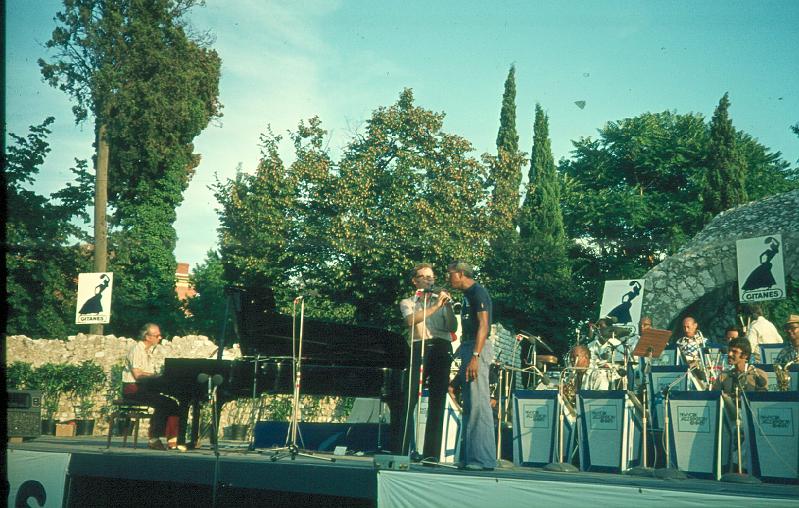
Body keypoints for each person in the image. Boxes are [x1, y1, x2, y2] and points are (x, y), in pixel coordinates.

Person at [398, 263, 457, 461]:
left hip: (441, 346)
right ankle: (403, 449)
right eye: (423, 277)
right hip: (418, 346)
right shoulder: (408, 301)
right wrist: (434, 307)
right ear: (415, 280)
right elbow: (410, 321)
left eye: (431, 277)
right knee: (409, 397)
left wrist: (447, 306)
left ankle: (431, 455)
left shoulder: (441, 300)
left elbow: (452, 326)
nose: (428, 280)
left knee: (438, 400)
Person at [447, 261, 496, 471]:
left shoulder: (478, 293)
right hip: (468, 347)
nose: (448, 279)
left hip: (478, 348)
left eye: (450, 275)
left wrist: (475, 355)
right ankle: (469, 457)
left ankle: (483, 459)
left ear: (460, 274)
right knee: (469, 405)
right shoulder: (467, 296)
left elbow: (484, 325)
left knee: (478, 405)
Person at [122, 323, 186, 451]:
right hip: (132, 389)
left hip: (143, 387)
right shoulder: (136, 350)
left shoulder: (147, 350)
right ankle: (154, 439)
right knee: (163, 403)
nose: (160, 337)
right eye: (157, 335)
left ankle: (173, 439)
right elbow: (138, 375)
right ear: (147, 337)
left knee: (172, 403)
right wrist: (156, 376)